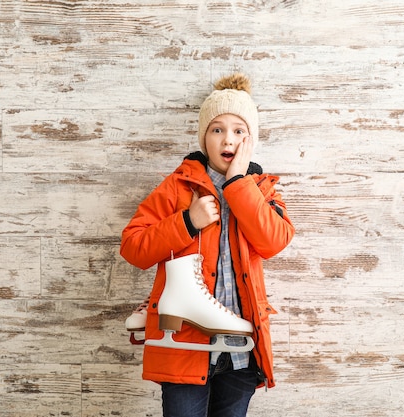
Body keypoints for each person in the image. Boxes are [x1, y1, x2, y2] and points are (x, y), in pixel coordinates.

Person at [120, 73, 295, 417]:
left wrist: (237, 185)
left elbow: (274, 241)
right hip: (185, 345)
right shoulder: (178, 187)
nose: (227, 139)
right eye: (217, 129)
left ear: (250, 141)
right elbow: (133, 246)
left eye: (238, 130)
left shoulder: (261, 191)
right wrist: (186, 222)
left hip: (242, 351)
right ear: (204, 138)